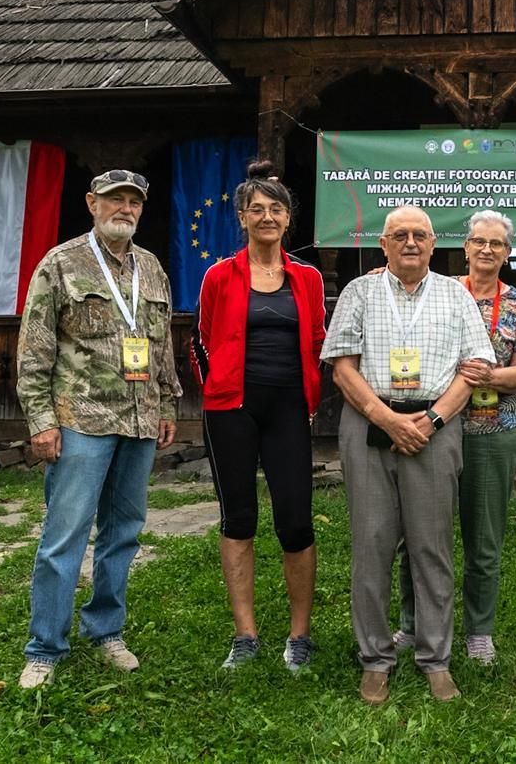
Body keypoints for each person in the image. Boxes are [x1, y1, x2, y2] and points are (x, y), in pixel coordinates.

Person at [322, 205, 496, 705]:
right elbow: (342, 367)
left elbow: (475, 366)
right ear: (384, 244)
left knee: (432, 546)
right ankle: (375, 659)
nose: (411, 242)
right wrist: (387, 419)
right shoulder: (359, 292)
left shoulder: (456, 294)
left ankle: (435, 659)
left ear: (433, 242)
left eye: (420, 234)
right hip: (371, 425)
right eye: (400, 235)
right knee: (372, 547)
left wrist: (434, 419)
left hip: (434, 428)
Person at [15, 169, 181, 690]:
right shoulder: (60, 264)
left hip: (138, 420)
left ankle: (106, 630)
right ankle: (45, 647)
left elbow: (162, 344)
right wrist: (41, 421)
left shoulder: (151, 268)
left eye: (134, 201)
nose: (125, 208)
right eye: (114, 200)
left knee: (123, 533)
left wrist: (168, 404)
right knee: (64, 536)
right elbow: (34, 346)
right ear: (91, 203)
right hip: (80, 420)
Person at [191, 160, 326, 672]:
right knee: (239, 517)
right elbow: (200, 340)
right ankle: (245, 635)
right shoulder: (219, 276)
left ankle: (300, 635)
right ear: (241, 218)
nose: (267, 217)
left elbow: (317, 340)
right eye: (256, 209)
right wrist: (217, 388)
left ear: (288, 218)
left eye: (276, 208)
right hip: (232, 410)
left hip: (290, 407)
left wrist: (309, 396)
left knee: (295, 520)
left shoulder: (307, 278)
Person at [394, 210, 516, 666]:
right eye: (480, 242)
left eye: (498, 244)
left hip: (493, 433)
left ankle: (479, 631)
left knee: (484, 538)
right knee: (418, 534)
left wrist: (487, 376)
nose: (489, 250)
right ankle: (412, 624)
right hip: (435, 428)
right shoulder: (438, 292)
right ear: (466, 246)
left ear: (507, 251)